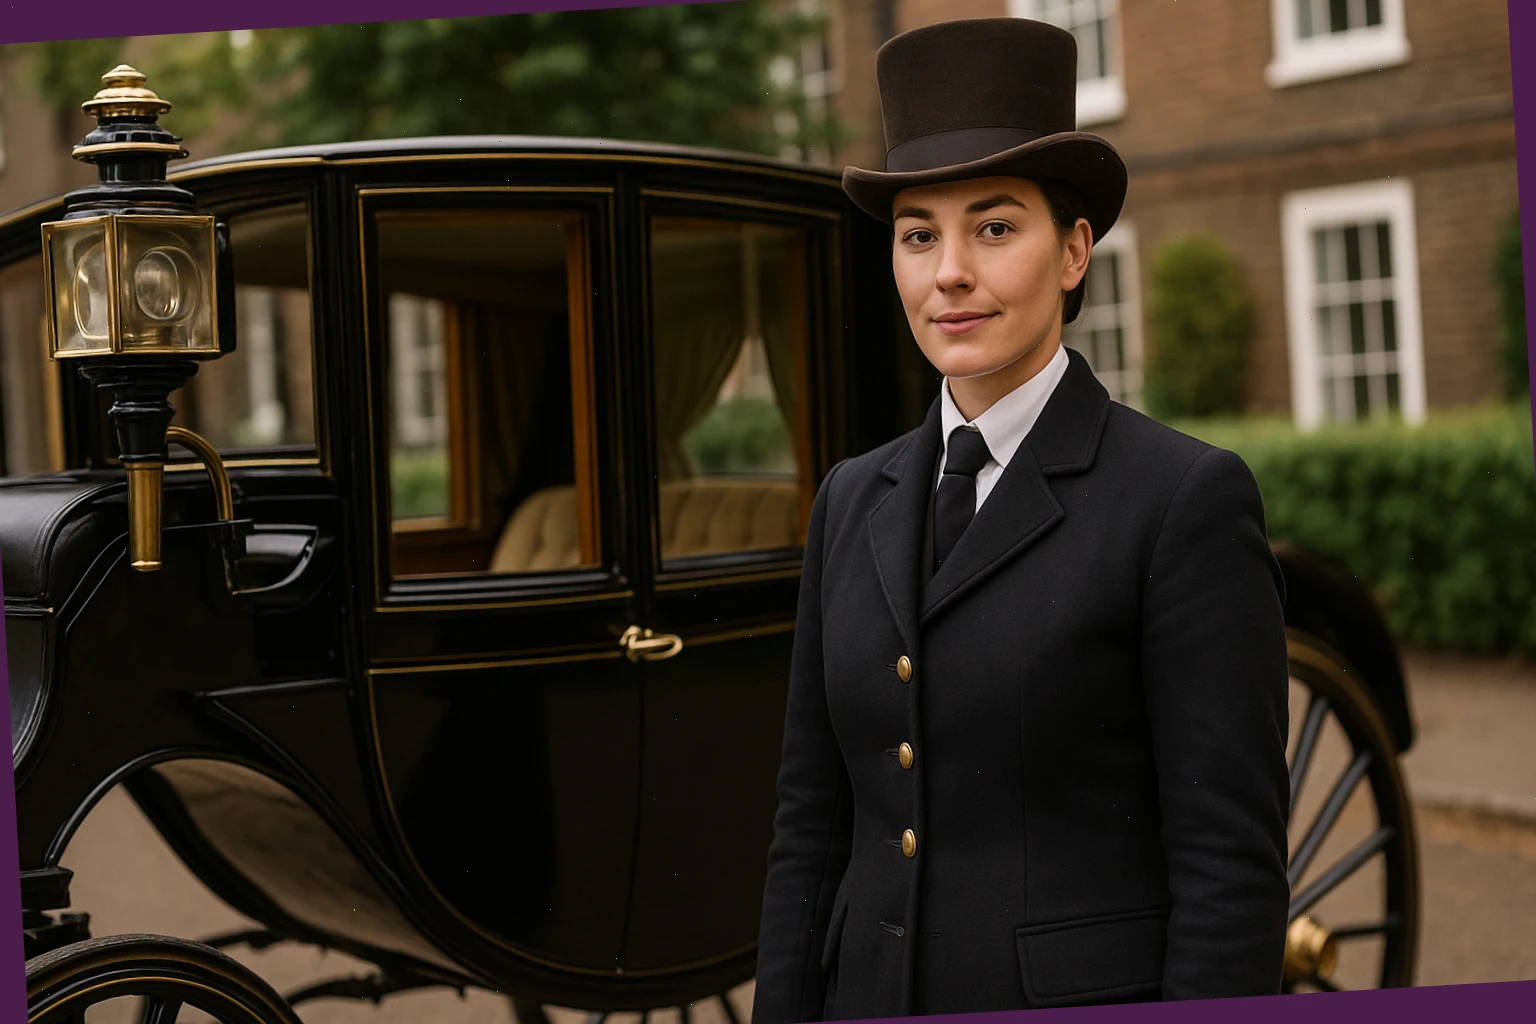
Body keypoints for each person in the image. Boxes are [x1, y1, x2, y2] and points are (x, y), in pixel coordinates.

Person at [751, 17, 1292, 1021]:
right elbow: (810, 834)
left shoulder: (1181, 500)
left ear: (1075, 251)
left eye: (994, 228)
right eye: (919, 234)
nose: (949, 271)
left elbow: (1230, 871)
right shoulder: (849, 499)